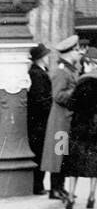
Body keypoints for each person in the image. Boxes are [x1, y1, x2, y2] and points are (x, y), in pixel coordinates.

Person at [63, 49, 97, 209]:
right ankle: (91, 196)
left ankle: (71, 196)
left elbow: (71, 103)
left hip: (79, 125)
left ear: (87, 64)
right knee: (95, 161)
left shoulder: (82, 82)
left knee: (74, 162)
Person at [40, 35, 81, 200]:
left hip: (66, 119)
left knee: (63, 156)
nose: (79, 53)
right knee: (58, 155)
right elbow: (57, 95)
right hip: (61, 120)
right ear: (69, 52)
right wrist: (77, 93)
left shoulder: (69, 69)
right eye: (77, 50)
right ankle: (55, 189)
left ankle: (60, 188)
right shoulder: (61, 71)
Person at [27, 44, 52, 195]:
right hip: (39, 121)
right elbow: (40, 98)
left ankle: (39, 184)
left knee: (40, 152)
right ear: (41, 58)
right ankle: (38, 185)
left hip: (39, 120)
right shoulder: (37, 74)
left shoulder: (40, 72)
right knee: (39, 152)